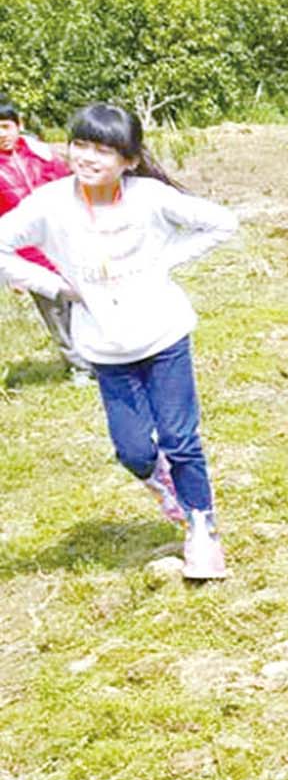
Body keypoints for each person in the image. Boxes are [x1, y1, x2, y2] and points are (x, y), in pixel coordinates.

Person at [0, 103, 239, 579]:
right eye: (80, 145)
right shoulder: (50, 204)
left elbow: (221, 223)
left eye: (103, 150)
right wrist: (59, 286)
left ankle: (201, 530)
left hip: (164, 335)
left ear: (128, 160)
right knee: (133, 451)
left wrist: (165, 261)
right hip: (106, 349)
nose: (87, 158)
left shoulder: (148, 198)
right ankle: (163, 486)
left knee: (181, 439)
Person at [0, 96, 90, 383]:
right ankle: (79, 366)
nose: (2, 134)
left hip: (67, 241)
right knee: (54, 310)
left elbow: (70, 188)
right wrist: (10, 272)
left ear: (19, 125)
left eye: (5, 126)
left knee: (87, 300)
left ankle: (101, 356)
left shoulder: (42, 155)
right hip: (27, 254)